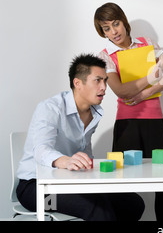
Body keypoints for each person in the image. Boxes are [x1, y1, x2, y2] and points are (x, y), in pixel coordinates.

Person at [16, 54, 145, 221]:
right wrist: (66, 161)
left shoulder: (95, 113)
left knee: (133, 203)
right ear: (77, 83)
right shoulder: (50, 108)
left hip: (69, 182)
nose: (104, 87)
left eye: (105, 80)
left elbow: (84, 151)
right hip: (35, 189)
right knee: (98, 210)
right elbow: (40, 150)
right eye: (97, 81)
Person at [94, 2, 163, 221]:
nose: (113, 32)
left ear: (124, 21)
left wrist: (142, 95)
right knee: (120, 181)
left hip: (154, 120)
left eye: (116, 24)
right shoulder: (105, 55)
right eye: (106, 28)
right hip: (127, 123)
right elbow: (120, 90)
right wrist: (150, 78)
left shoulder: (148, 44)